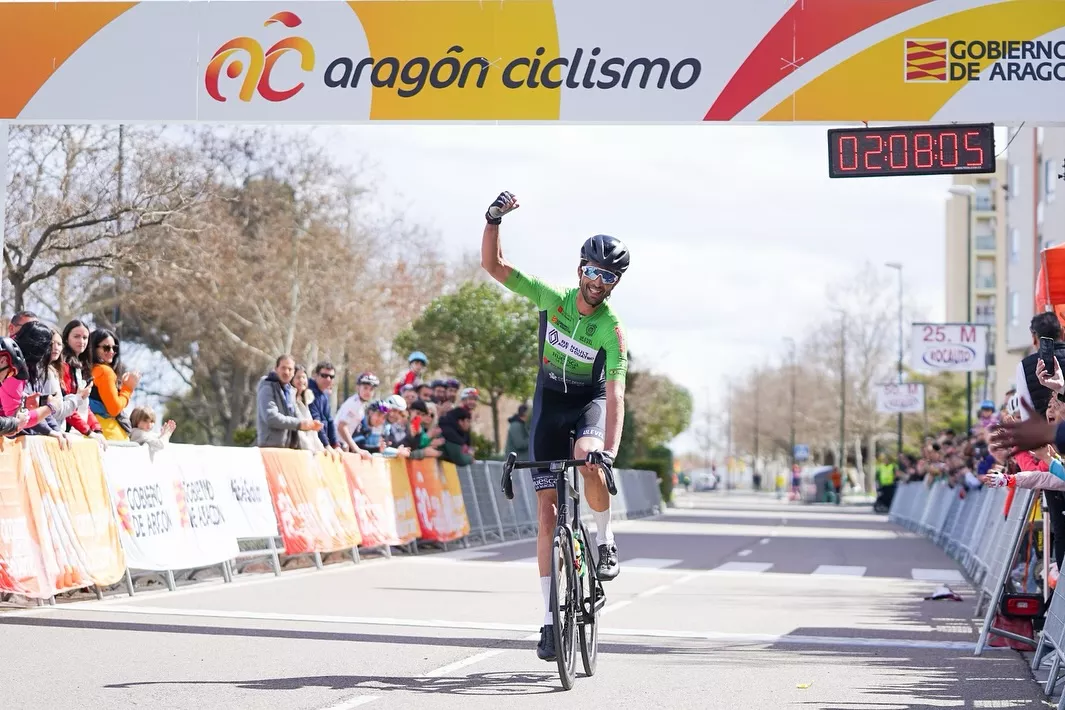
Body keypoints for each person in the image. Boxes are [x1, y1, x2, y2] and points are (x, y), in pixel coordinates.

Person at [480, 189, 629, 662]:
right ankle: (548, 622)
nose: (597, 281)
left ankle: (604, 541)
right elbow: (496, 267)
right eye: (591, 271)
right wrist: (493, 220)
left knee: (588, 461)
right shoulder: (553, 299)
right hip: (548, 404)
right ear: (579, 269)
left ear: (613, 283)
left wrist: (611, 450)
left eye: (607, 276)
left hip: (586, 404)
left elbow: (615, 394)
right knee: (546, 517)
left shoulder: (611, 328)